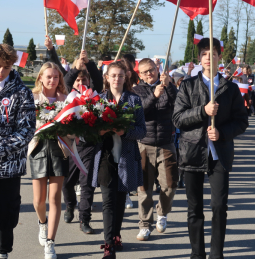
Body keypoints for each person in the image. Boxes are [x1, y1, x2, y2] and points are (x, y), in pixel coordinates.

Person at [172, 38, 248, 259]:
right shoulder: (186, 85)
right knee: (194, 209)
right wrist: (202, 111)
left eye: (213, 53)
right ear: (199, 58)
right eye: (204, 53)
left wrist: (222, 133)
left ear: (219, 57)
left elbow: (242, 121)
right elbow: (177, 119)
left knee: (218, 207)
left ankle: (217, 254)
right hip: (193, 152)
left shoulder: (230, 88)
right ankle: (197, 254)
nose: (209, 57)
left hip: (219, 155)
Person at [91, 61, 146, 258]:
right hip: (105, 155)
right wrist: (100, 130)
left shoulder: (134, 100)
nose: (116, 79)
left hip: (126, 156)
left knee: (120, 199)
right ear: (106, 77)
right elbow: (88, 129)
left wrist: (125, 131)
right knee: (108, 201)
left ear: (126, 77)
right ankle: (108, 245)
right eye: (113, 75)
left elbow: (142, 130)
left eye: (120, 75)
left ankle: (115, 236)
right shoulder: (98, 99)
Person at [0, 44, 36, 259]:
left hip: (7, 165)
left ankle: (2, 253)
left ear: (11, 66)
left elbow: (27, 129)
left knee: (5, 213)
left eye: (4, 67)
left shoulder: (22, 92)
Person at [28, 62, 71, 259]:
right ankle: (42, 224)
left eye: (56, 77)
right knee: (38, 201)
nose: (52, 80)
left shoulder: (67, 100)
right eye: (49, 76)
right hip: (38, 148)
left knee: (54, 199)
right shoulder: (32, 98)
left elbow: (74, 125)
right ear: (41, 78)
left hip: (59, 150)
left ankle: (50, 243)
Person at [133, 58, 178, 241]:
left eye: (151, 69)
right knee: (144, 188)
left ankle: (162, 213)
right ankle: (144, 225)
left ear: (157, 68)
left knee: (170, 185)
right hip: (145, 144)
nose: (149, 74)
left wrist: (169, 87)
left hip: (166, 143)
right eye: (145, 72)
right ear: (140, 75)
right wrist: (155, 95)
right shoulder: (136, 90)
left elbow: (179, 105)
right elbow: (141, 112)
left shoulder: (167, 84)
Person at [62, 52, 103, 234]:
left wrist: (90, 65)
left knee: (87, 185)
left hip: (89, 146)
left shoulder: (94, 94)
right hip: (70, 146)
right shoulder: (67, 95)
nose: (81, 83)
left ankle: (84, 219)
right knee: (67, 182)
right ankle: (70, 205)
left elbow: (98, 81)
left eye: (83, 80)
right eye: (78, 80)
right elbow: (65, 82)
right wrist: (75, 69)